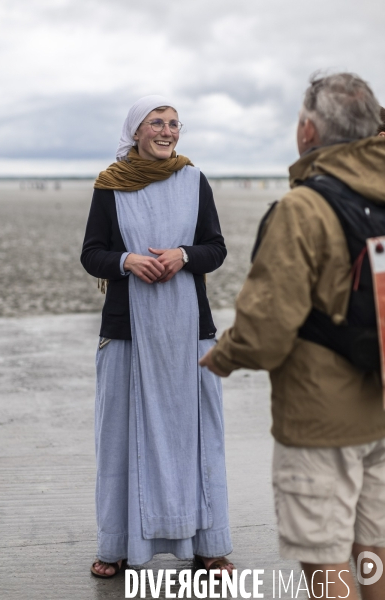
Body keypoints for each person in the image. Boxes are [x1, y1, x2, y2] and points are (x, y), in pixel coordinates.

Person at [200, 73, 385, 599]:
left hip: (320, 418)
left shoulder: (301, 208)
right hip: (381, 404)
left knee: (324, 556)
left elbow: (266, 332)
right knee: (373, 549)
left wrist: (224, 355)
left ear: (308, 130)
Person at [81, 95, 233, 578]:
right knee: (121, 436)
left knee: (198, 434)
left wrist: (183, 256)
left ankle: (209, 544)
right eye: (156, 123)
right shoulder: (110, 185)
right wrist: (127, 261)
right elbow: (92, 254)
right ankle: (118, 546)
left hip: (190, 331)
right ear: (136, 131)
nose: (167, 131)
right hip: (126, 331)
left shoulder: (194, 180)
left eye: (173, 123)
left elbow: (216, 248)